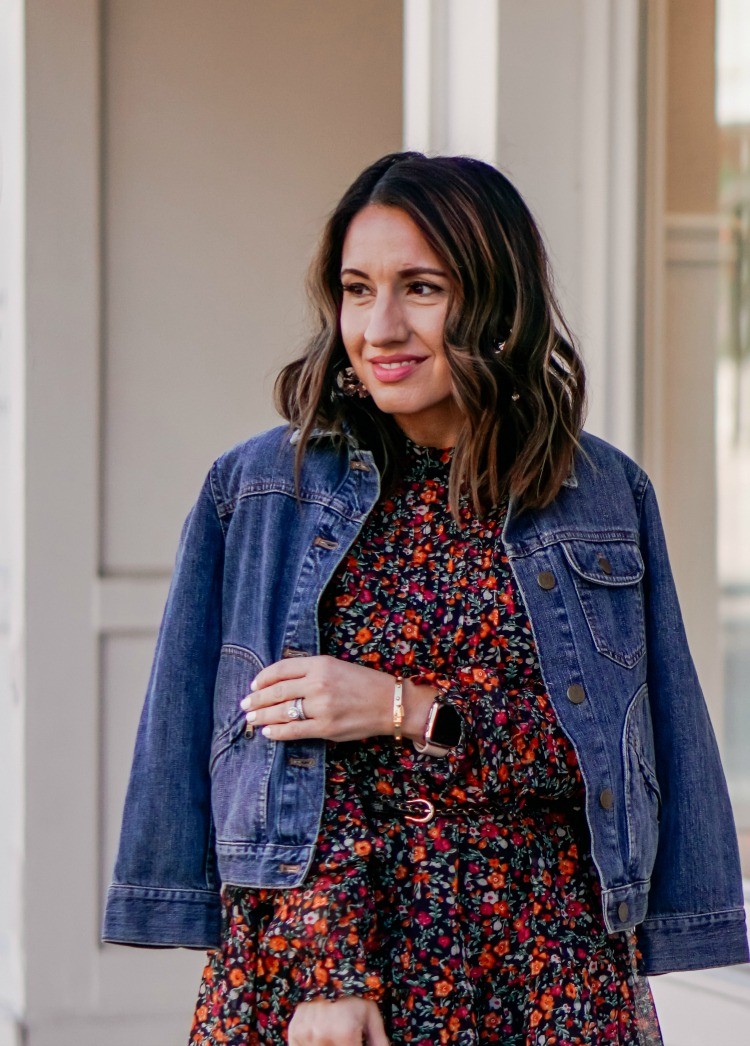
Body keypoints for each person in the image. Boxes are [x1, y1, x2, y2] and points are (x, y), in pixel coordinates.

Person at [102, 152, 749, 1046]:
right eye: (357, 289)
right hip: (325, 970)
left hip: (546, 967)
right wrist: (330, 974)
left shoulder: (600, 493)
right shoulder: (261, 492)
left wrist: (407, 709)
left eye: (422, 289)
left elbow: (613, 762)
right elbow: (264, 760)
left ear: (493, 300)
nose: (381, 326)